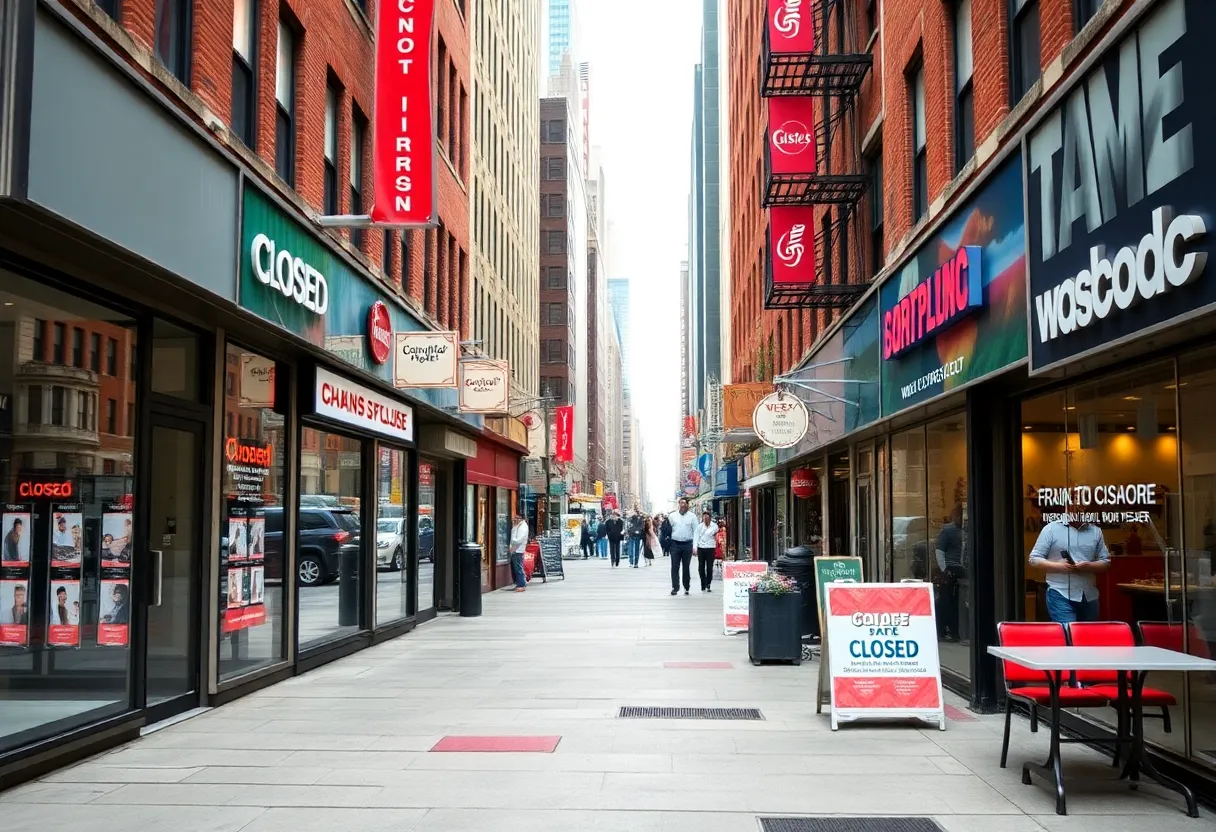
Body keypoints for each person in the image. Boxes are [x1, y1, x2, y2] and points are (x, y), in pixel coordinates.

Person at [1029, 512, 1110, 624]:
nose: (1079, 509)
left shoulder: (1096, 531)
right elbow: (1034, 559)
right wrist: (1059, 566)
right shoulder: (1051, 529)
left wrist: (1088, 566)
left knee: (1089, 639)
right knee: (1069, 635)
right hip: (1060, 592)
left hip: (1089, 595)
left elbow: (1106, 563)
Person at [934, 504, 966, 642]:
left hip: (964, 568)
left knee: (959, 602)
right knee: (948, 602)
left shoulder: (968, 530)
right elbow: (939, 551)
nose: (962, 519)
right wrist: (944, 569)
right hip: (951, 568)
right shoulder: (948, 530)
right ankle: (945, 630)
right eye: (959, 516)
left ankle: (956, 631)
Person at [668, 497, 698, 595]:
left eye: (685, 503)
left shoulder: (692, 517)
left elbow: (696, 532)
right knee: (674, 567)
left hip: (687, 544)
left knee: (686, 567)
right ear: (679, 504)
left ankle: (686, 586)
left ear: (688, 505)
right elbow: (668, 530)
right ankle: (675, 587)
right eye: (681, 503)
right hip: (675, 544)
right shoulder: (672, 516)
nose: (683, 505)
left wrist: (695, 546)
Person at [694, 510, 720, 592]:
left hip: (710, 548)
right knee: (701, 567)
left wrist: (708, 526)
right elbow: (696, 536)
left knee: (709, 567)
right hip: (701, 548)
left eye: (707, 517)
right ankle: (703, 583)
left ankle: (708, 583)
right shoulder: (699, 526)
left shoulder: (714, 526)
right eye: (704, 517)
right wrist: (694, 547)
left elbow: (712, 533)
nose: (705, 518)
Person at [509, 512, 531, 592]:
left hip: (518, 549)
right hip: (515, 549)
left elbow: (519, 539)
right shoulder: (518, 525)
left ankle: (521, 584)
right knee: (516, 567)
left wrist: (513, 544)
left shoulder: (522, 527)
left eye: (516, 518)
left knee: (518, 567)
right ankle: (519, 583)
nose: (515, 519)